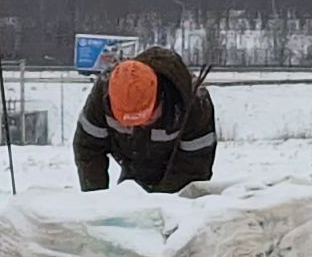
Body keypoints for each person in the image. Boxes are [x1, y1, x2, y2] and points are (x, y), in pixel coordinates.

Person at [73, 46, 216, 193]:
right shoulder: (104, 93)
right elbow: (89, 149)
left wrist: (158, 209)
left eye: (147, 118)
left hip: (178, 181)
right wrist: (97, 200)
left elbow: (194, 167)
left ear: (161, 97)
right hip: (133, 169)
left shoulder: (195, 106)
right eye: (128, 124)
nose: (139, 126)